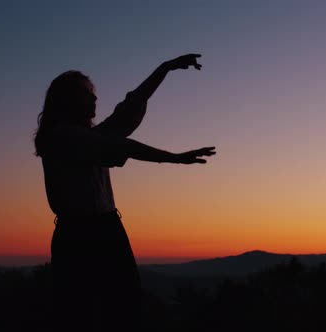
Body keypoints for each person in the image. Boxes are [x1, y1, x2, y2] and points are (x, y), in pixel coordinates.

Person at [34, 54, 215, 331]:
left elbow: (128, 111)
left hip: (107, 229)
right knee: (84, 312)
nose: (95, 99)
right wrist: (175, 158)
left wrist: (164, 69)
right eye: (86, 94)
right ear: (67, 100)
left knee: (122, 306)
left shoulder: (90, 136)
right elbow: (123, 145)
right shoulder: (62, 138)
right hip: (80, 237)